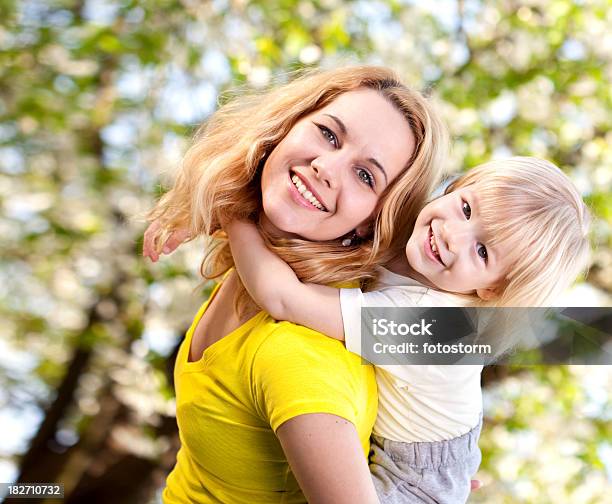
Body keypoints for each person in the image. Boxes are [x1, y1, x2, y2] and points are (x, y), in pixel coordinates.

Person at [143, 66, 449, 503]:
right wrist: (215, 201)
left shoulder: (297, 355)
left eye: (366, 176)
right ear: (283, 130)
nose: (326, 167)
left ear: (371, 224)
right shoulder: (258, 262)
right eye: (328, 134)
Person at [221, 157, 591, 503]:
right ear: (456, 186)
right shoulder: (420, 250)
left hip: (413, 486)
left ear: (492, 289)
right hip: (440, 454)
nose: (453, 236)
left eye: (482, 252)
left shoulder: (431, 326)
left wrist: (230, 211)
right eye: (466, 208)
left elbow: (284, 298)